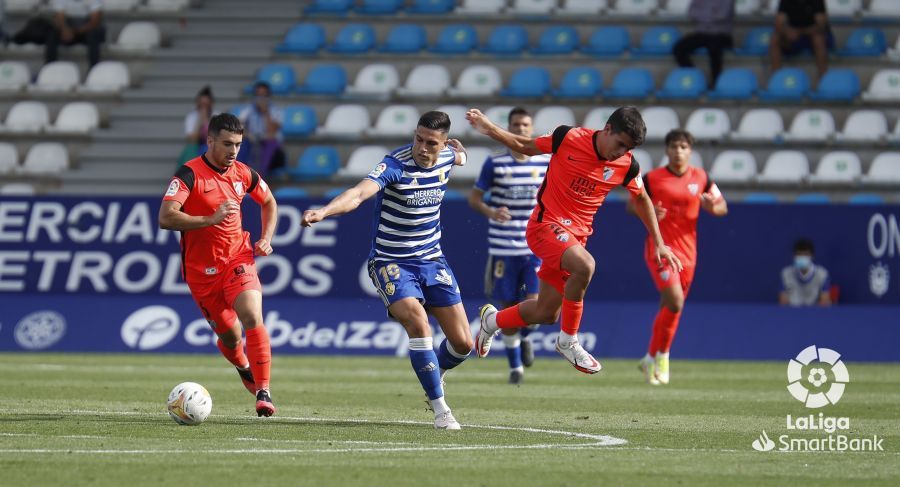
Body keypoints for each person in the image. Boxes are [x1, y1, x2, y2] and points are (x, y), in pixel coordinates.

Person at [467, 106, 683, 375]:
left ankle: (492, 320)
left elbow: (641, 198)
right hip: (544, 226)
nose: (621, 152)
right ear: (607, 129)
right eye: (620, 144)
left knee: (546, 313)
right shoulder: (567, 137)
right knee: (586, 266)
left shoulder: (627, 164)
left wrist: (660, 242)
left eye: (628, 148)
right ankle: (568, 341)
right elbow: (523, 143)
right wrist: (489, 127)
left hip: (574, 239)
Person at [301, 111, 473, 430]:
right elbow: (358, 193)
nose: (422, 147)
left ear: (443, 143)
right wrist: (324, 211)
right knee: (418, 321)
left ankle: (438, 373)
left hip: (433, 260)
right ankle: (441, 410)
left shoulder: (448, 156)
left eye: (430, 143)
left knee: (464, 344)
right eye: (418, 139)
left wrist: (462, 153)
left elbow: (460, 156)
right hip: (391, 262)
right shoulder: (394, 164)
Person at [158, 113, 278, 417]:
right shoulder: (188, 175)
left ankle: (263, 391)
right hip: (201, 273)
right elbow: (166, 216)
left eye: (238, 144)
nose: (233, 150)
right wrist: (208, 220)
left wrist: (265, 237)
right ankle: (242, 364)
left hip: (238, 258)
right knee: (229, 335)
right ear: (210, 141)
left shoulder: (243, 173)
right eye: (227, 143)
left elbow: (268, 202)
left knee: (252, 315)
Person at [627, 129, 727, 386]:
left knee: (669, 307)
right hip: (660, 248)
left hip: (688, 253)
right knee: (675, 301)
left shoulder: (702, 178)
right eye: (674, 146)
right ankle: (663, 356)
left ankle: (650, 356)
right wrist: (649, 212)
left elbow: (722, 206)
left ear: (690, 151)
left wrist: (712, 207)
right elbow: (632, 203)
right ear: (667, 150)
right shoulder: (652, 178)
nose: (678, 151)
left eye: (683, 147)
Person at [468, 107, 550, 385]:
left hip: (535, 247)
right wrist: (491, 212)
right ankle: (516, 368)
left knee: (534, 307)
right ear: (510, 127)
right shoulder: (495, 163)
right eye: (516, 124)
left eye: (525, 124)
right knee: (506, 307)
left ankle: (526, 336)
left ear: (532, 127)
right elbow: (475, 198)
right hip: (503, 247)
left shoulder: (545, 163)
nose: (520, 129)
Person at [672, 0, 735, 88]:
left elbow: (722, 16)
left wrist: (702, 16)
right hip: (702, 34)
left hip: (721, 34)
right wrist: (710, 14)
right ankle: (696, 76)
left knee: (714, 48)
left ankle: (716, 82)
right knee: (679, 48)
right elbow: (691, 13)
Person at [769, 0, 832, 80]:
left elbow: (821, 26)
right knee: (775, 38)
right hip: (795, 36)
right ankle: (776, 78)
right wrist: (787, 31)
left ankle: (824, 78)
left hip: (813, 34)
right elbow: (778, 23)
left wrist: (800, 32)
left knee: (818, 39)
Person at [238, 81, 286, 177]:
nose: (261, 98)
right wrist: (248, 135)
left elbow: (272, 132)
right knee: (242, 142)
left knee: (271, 142)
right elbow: (239, 128)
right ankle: (240, 174)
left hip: (274, 155)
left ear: (269, 96)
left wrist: (265, 113)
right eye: (259, 95)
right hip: (253, 146)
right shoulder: (247, 110)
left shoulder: (277, 111)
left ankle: (259, 177)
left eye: (264, 95)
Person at [45, 0, 106, 68]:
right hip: (68, 27)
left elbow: (95, 20)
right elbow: (59, 16)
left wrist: (76, 31)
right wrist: (65, 30)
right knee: (52, 34)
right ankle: (49, 67)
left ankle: (93, 69)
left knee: (94, 35)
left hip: (87, 29)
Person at [780, 238, 832, 307]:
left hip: (815, 314)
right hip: (792, 313)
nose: (802, 257)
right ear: (794, 256)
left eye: (805, 254)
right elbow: (783, 302)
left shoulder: (822, 274)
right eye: (799, 254)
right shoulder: (786, 274)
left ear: (812, 256)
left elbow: (824, 301)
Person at [181, 85, 215, 164]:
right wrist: (200, 122)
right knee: (190, 149)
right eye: (201, 105)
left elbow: (213, 138)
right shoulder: (192, 117)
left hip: (211, 147)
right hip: (195, 147)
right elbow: (191, 140)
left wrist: (206, 122)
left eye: (206, 105)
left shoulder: (216, 115)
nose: (204, 108)